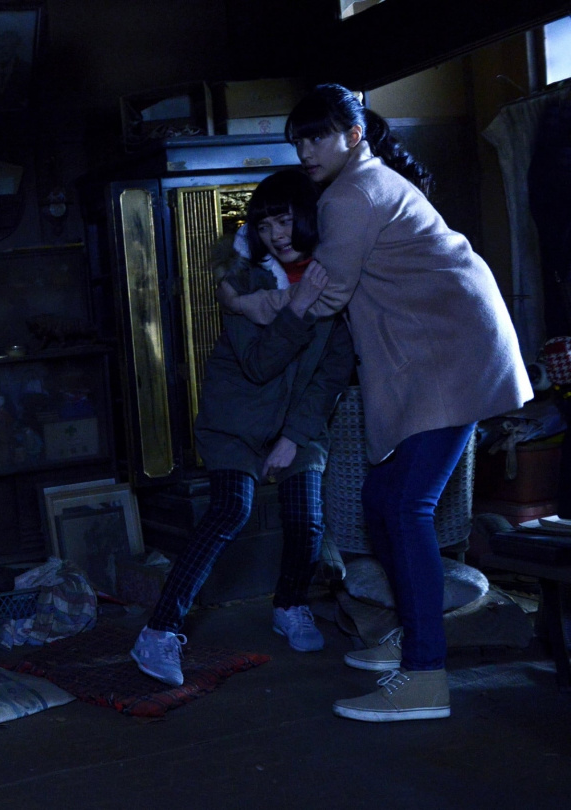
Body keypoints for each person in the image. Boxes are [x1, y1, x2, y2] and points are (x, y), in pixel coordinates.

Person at [218, 84, 532, 722]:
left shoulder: (351, 195)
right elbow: (326, 287)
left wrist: (250, 304)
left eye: (317, 136)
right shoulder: (359, 183)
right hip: (448, 347)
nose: (306, 150)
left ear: (353, 135)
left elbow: (326, 295)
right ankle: (415, 638)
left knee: (405, 505)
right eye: (298, 141)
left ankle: (425, 676)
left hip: (455, 352)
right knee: (384, 499)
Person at [131, 170, 355, 687]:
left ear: (309, 218)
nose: (277, 235)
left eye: (285, 221)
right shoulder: (244, 279)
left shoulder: (339, 280)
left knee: (306, 519)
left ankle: (290, 605)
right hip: (234, 420)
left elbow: (331, 375)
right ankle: (158, 632)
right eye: (265, 225)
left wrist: (293, 438)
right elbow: (256, 365)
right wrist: (297, 307)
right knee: (231, 509)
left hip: (297, 423)